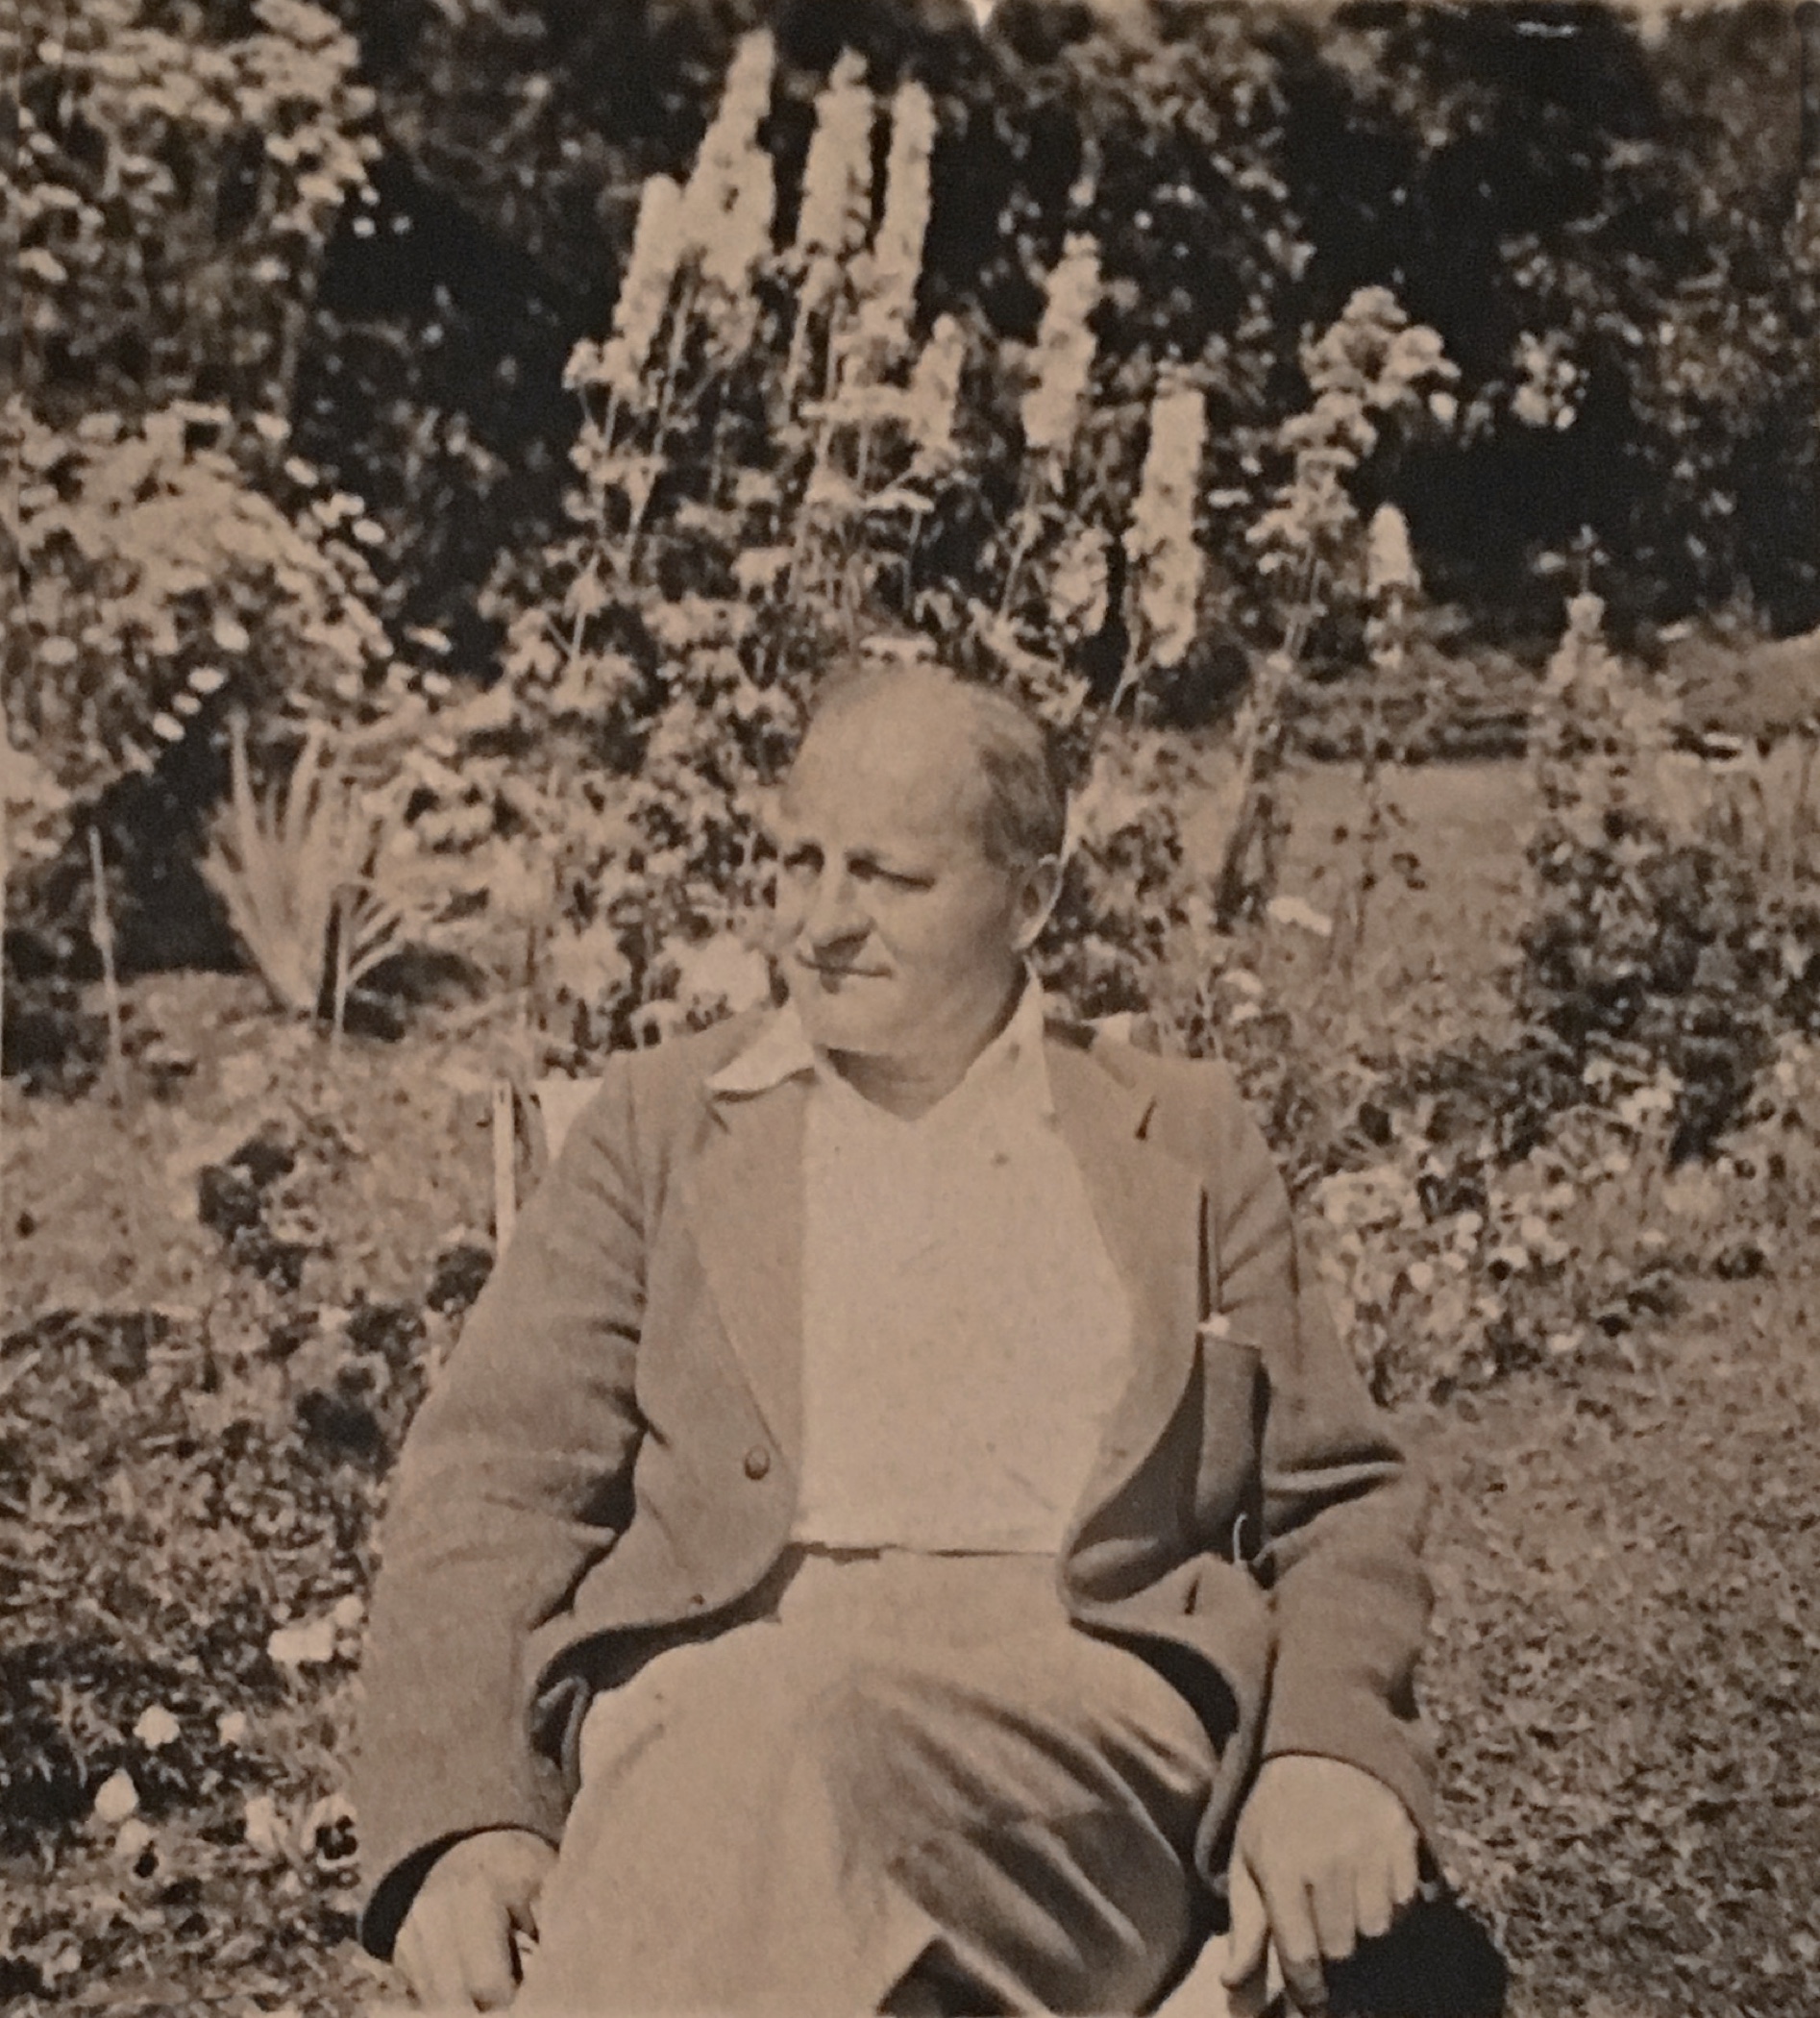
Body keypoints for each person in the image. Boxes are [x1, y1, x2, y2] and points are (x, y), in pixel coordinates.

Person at [354, 664, 1437, 2016]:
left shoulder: (1176, 1132)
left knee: (797, 1735)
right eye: (796, 861)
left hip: (1070, 1725)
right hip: (706, 1715)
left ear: (1030, 898)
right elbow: (492, 1484)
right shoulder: (662, 1126)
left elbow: (1337, 1500)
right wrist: (468, 1828)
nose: (819, 922)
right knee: (764, 1746)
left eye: (886, 877)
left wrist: (1328, 1752)